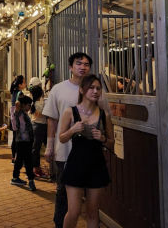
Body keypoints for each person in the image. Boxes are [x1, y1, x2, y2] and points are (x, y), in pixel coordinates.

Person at [42, 52, 93, 228]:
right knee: (63, 190)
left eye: (86, 64)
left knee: (89, 192)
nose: (83, 67)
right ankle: (59, 224)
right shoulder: (59, 89)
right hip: (65, 149)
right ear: (71, 67)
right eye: (79, 63)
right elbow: (51, 120)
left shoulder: (94, 89)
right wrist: (49, 147)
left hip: (89, 150)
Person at [58, 75, 112, 228]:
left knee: (93, 212)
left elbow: (111, 143)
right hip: (76, 165)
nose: (95, 91)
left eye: (98, 88)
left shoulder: (104, 114)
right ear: (82, 90)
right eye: (91, 88)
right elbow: (61, 138)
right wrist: (72, 130)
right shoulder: (70, 112)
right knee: (74, 211)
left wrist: (102, 138)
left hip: (97, 166)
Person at [11, 94, 36, 191]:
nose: (30, 107)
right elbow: (19, 127)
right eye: (29, 105)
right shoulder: (20, 114)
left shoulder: (22, 113)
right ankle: (31, 181)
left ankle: (15, 177)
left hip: (22, 141)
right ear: (24, 105)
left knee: (20, 160)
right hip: (23, 141)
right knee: (28, 161)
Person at [29, 78, 47, 178]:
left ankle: (36, 168)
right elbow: (41, 113)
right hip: (39, 126)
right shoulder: (38, 103)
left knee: (36, 148)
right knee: (36, 148)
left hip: (36, 125)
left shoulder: (33, 101)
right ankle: (35, 169)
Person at [9, 75, 26, 163]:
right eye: (24, 82)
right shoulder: (20, 93)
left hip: (13, 117)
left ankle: (13, 157)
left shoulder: (14, 92)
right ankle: (18, 159)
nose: (25, 84)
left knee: (15, 137)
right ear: (20, 85)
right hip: (18, 118)